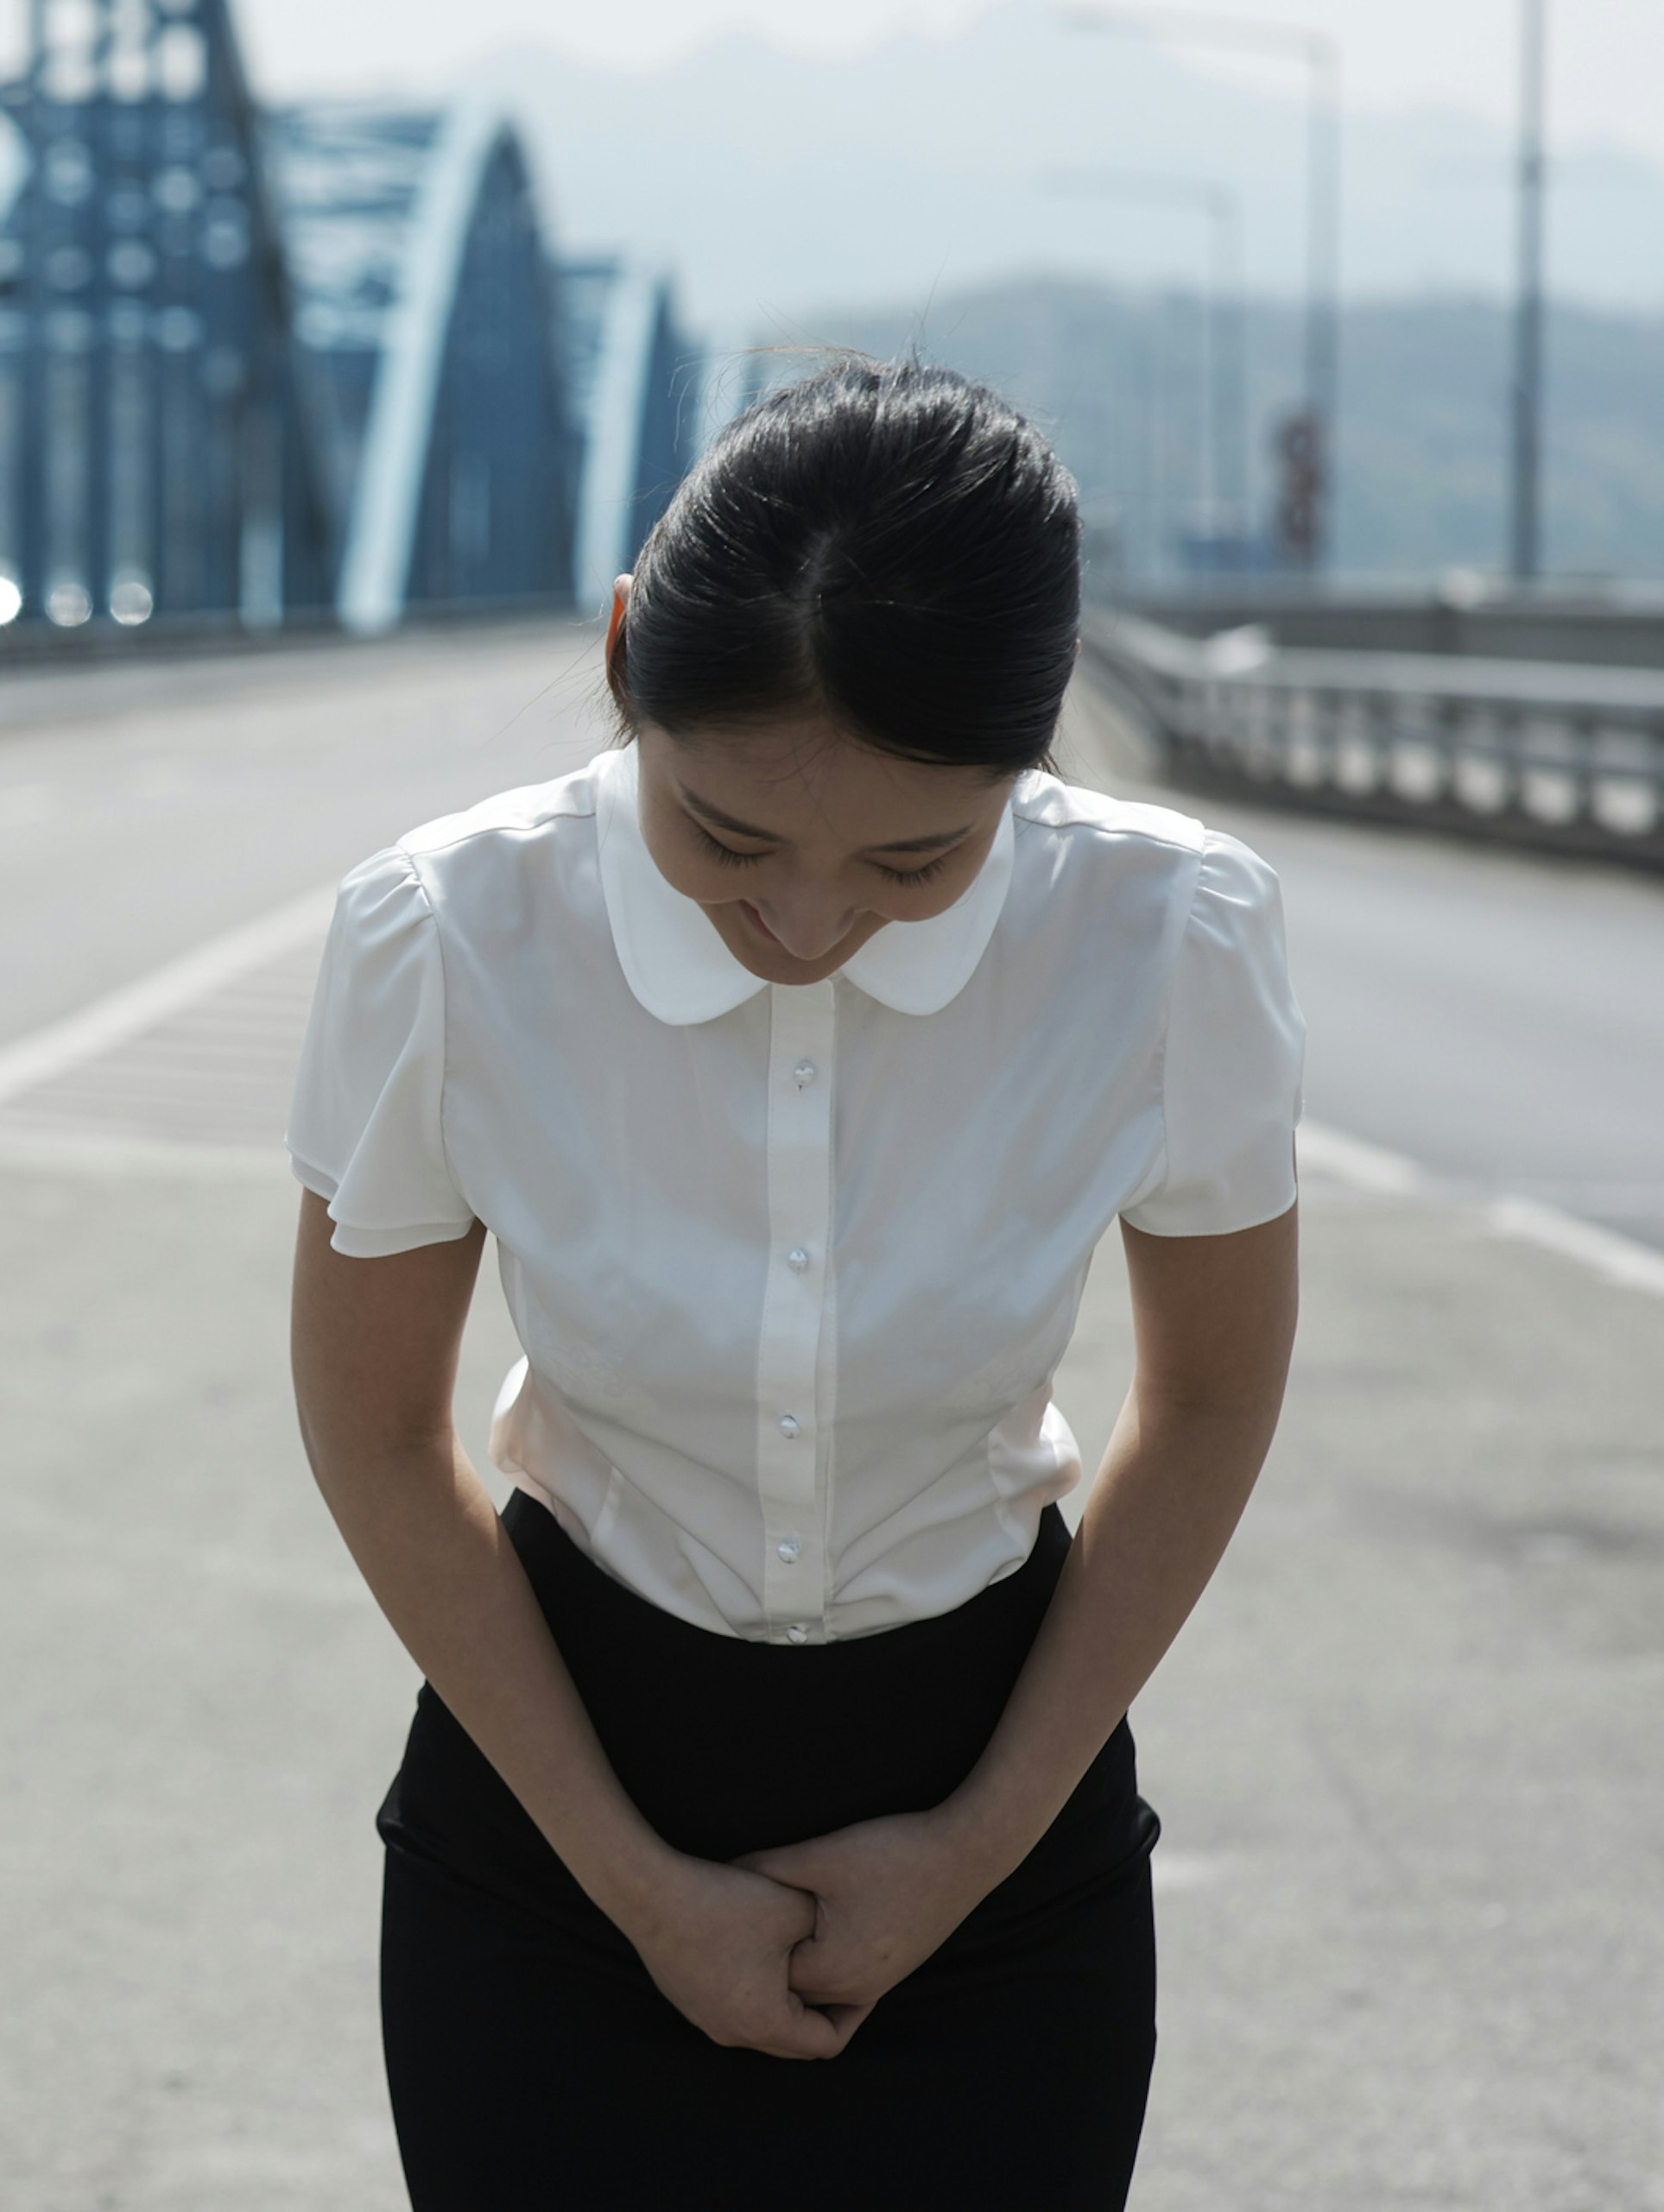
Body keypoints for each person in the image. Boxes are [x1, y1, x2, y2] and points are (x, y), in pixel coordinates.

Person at [286, 357, 1301, 2209]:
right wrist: (637, 1884)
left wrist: (975, 1847)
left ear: (1030, 739)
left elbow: (1217, 1395)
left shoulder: (1168, 932)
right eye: (726, 840)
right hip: (551, 1836)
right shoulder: (448, 931)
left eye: (918, 856)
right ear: (622, 663)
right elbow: (368, 1428)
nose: (810, 922)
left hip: (1003, 1833)